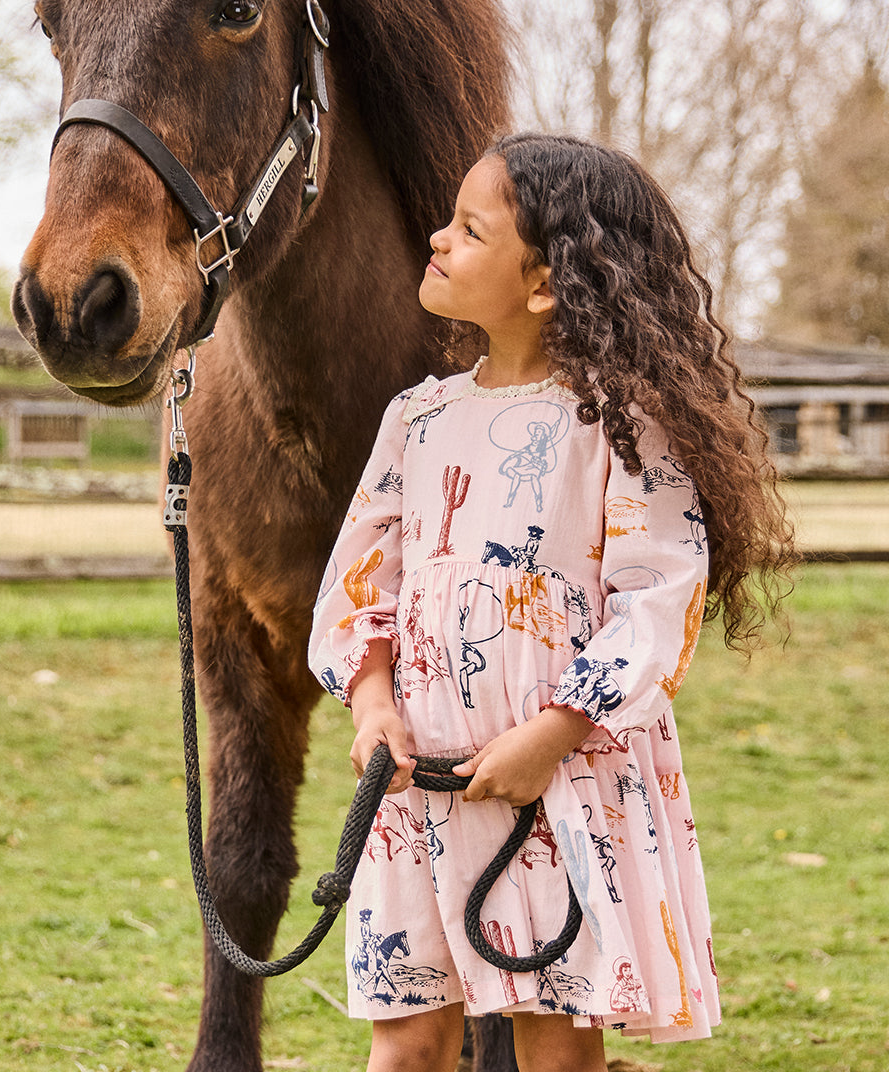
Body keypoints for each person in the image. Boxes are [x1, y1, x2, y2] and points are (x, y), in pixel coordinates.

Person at [308, 132, 795, 1072]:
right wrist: (372, 705)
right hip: (421, 784)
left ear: (542, 283)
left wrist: (555, 733)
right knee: (404, 1036)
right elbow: (363, 580)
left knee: (556, 1036)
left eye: (469, 229)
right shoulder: (418, 418)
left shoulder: (618, 420)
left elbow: (657, 599)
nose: (439, 241)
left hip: (558, 781)